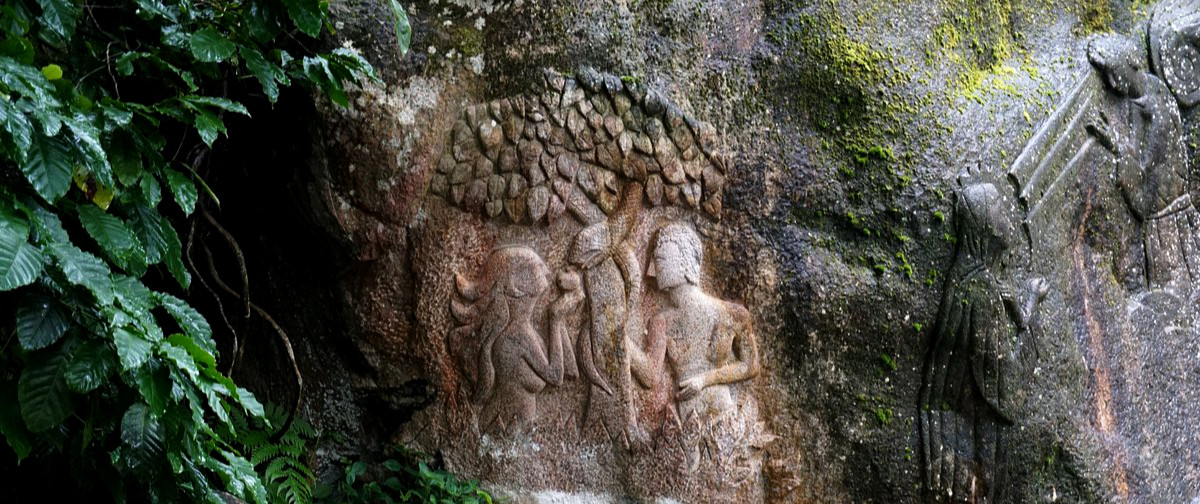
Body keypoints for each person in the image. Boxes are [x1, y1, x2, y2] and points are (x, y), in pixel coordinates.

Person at [919, 183, 1047, 503]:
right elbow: (1004, 388)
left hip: (959, 435)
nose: (1008, 218)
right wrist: (1030, 315)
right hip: (976, 443)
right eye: (1000, 211)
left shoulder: (965, 277)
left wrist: (1019, 308)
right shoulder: (981, 291)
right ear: (986, 226)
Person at [628, 222, 759, 437]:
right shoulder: (661, 322)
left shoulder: (733, 314)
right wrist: (620, 341)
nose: (651, 270)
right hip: (688, 419)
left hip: (725, 418)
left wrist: (705, 380)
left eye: (659, 259)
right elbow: (650, 375)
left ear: (684, 260)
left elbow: (751, 365)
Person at [1088, 34, 1197, 290]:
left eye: (1116, 73)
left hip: (1169, 224)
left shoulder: (1156, 109)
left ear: (1132, 62)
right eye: (1108, 78)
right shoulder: (1146, 93)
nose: (1113, 83)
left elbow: (1141, 169)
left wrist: (1113, 143)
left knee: (1180, 290)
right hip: (1163, 219)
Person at [449, 246, 576, 432]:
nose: (546, 272)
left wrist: (558, 316)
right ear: (516, 286)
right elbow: (556, 376)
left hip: (511, 424)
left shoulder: (523, 330)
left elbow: (570, 371)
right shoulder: (518, 335)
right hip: (507, 424)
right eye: (535, 266)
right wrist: (555, 320)